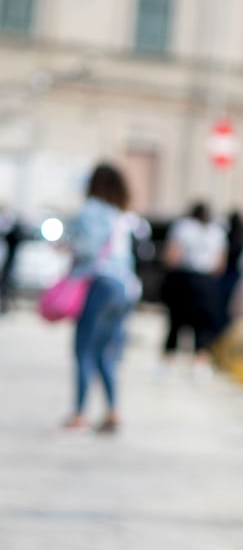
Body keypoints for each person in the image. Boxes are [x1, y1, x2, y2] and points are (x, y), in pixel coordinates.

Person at [63, 162, 141, 432]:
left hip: (99, 283)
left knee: (83, 348)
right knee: (106, 352)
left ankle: (79, 414)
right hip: (124, 289)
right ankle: (112, 411)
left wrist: (68, 250)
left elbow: (87, 249)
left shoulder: (90, 210)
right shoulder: (122, 215)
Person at [159, 202, 227, 378]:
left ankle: (169, 362)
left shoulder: (183, 227)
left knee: (176, 321)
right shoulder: (217, 232)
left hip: (185, 277)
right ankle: (200, 363)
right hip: (207, 281)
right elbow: (220, 263)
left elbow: (173, 255)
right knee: (203, 323)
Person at [0, 208, 25, 313]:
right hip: (6, 262)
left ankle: (4, 305)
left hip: (7, 262)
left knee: (5, 284)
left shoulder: (12, 230)